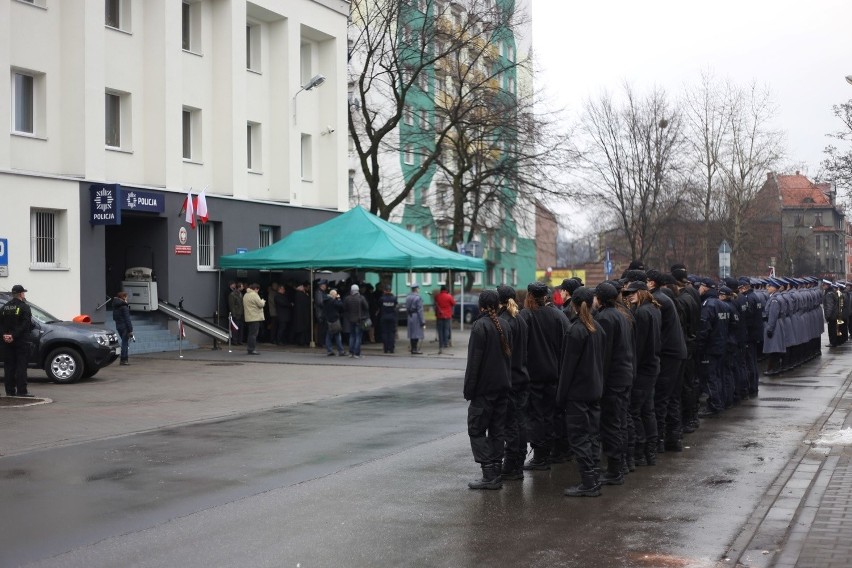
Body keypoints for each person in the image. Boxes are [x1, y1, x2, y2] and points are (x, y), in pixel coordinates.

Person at [557, 286, 606, 497]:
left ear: (575, 305)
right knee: (592, 435)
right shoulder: (597, 328)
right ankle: (594, 476)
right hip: (594, 389)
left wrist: (560, 396)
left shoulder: (576, 330)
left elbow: (567, 368)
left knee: (579, 437)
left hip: (578, 393)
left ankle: (589, 482)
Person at [464, 290, 513, 490]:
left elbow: (474, 363)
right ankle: (495, 470)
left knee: (476, 429)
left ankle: (489, 473)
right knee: (496, 429)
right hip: (502, 386)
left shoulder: (480, 327)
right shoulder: (505, 325)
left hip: (484, 389)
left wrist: (469, 390)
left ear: (482, 306)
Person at [519, 281, 570, 470]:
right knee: (551, 415)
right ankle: (552, 451)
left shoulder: (526, 316)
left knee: (536, 417)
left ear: (529, 296)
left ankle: (540, 456)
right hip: (554, 374)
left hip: (533, 375)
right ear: (545, 296)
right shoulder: (557, 315)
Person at [593, 282, 634, 485]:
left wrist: (600, 381)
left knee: (611, 424)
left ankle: (615, 469)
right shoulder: (621, 314)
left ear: (600, 298)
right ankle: (620, 465)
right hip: (624, 375)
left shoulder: (605, 318)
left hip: (614, 379)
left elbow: (605, 354)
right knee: (619, 421)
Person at [496, 285, 529, 480]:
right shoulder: (521, 319)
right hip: (522, 376)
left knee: (511, 424)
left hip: (511, 379)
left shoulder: (504, 321)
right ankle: (517, 462)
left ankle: (511, 465)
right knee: (520, 422)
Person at [2, 284, 34, 397]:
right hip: (21, 342)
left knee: (9, 367)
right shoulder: (24, 307)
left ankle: (9, 391)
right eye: (23, 293)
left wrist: (5, 335)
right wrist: (13, 336)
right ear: (20, 294)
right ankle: (22, 391)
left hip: (6, 342)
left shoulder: (4, 307)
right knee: (21, 366)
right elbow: (25, 325)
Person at [343, 284, 370, 358]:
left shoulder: (347, 298)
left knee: (352, 336)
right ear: (358, 290)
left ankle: (351, 352)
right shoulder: (361, 298)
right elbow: (367, 307)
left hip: (351, 319)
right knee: (358, 336)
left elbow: (344, 308)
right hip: (359, 320)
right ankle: (357, 353)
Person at [243, 283, 266, 355]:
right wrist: (263, 301)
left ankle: (250, 348)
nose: (258, 291)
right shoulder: (254, 295)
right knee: (254, 334)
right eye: (258, 290)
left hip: (249, 317)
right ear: (256, 289)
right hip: (255, 317)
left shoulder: (246, 295)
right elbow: (260, 304)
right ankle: (251, 349)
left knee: (250, 334)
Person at [112, 291, 134, 366]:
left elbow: (114, 318)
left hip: (118, 326)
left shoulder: (115, 307)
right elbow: (127, 319)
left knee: (124, 342)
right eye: (126, 296)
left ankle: (123, 359)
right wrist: (130, 330)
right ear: (124, 297)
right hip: (125, 327)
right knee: (125, 343)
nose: (127, 298)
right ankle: (124, 360)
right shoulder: (124, 307)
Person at [323, 289, 345, 356]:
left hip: (328, 320)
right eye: (335, 295)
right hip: (334, 320)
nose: (336, 296)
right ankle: (341, 350)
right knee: (337, 335)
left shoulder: (326, 301)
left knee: (329, 336)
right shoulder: (333, 301)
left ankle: (329, 350)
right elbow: (341, 305)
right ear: (333, 295)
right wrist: (339, 299)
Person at [405, 283, 426, 354]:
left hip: (410, 315)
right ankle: (415, 349)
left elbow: (407, 307)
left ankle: (412, 348)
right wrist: (422, 321)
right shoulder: (418, 297)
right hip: (416, 316)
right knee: (416, 333)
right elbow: (420, 310)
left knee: (411, 333)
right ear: (416, 289)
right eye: (418, 288)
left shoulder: (408, 297)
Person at [434, 285, 456, 350]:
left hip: (439, 315)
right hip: (447, 315)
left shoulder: (437, 296)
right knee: (446, 330)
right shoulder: (449, 296)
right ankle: (446, 343)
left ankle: (441, 344)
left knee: (440, 330)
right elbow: (454, 303)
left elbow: (435, 303)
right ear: (446, 289)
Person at [379, 285, 398, 353]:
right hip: (392, 317)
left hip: (384, 317)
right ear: (390, 290)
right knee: (391, 333)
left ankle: (386, 348)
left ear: (385, 290)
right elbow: (395, 306)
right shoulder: (394, 298)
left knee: (385, 333)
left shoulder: (382, 299)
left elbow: (380, 306)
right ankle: (391, 348)